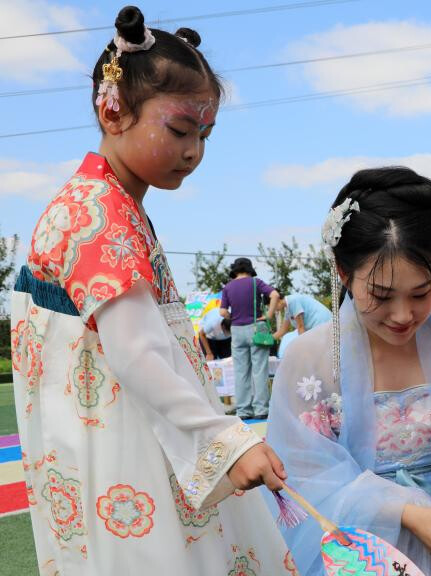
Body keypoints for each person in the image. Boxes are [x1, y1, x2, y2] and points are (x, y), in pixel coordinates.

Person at [8, 7, 290, 574]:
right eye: (182, 130)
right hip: (121, 444)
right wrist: (224, 440)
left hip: (131, 430)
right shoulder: (97, 212)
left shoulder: (113, 205)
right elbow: (136, 351)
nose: (194, 151)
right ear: (113, 110)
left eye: (205, 135)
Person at [265, 167, 431, 576]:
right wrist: (402, 509)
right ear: (343, 272)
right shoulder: (309, 358)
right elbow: (301, 475)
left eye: (421, 293)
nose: (403, 315)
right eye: (381, 296)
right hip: (366, 553)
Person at [220, 258, 279, 420]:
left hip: (237, 331)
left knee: (240, 372)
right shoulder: (255, 283)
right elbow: (274, 295)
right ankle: (261, 409)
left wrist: (233, 316)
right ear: (249, 269)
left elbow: (222, 312)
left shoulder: (228, 287)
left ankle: (243, 410)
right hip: (256, 328)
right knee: (259, 370)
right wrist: (269, 314)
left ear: (234, 270)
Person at [272, 293, 330, 359]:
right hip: (318, 330)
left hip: (323, 325)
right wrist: (267, 339)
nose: (271, 309)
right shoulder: (288, 309)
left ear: (276, 300)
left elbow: (301, 327)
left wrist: (304, 348)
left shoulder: (293, 301)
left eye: (270, 305)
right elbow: (282, 330)